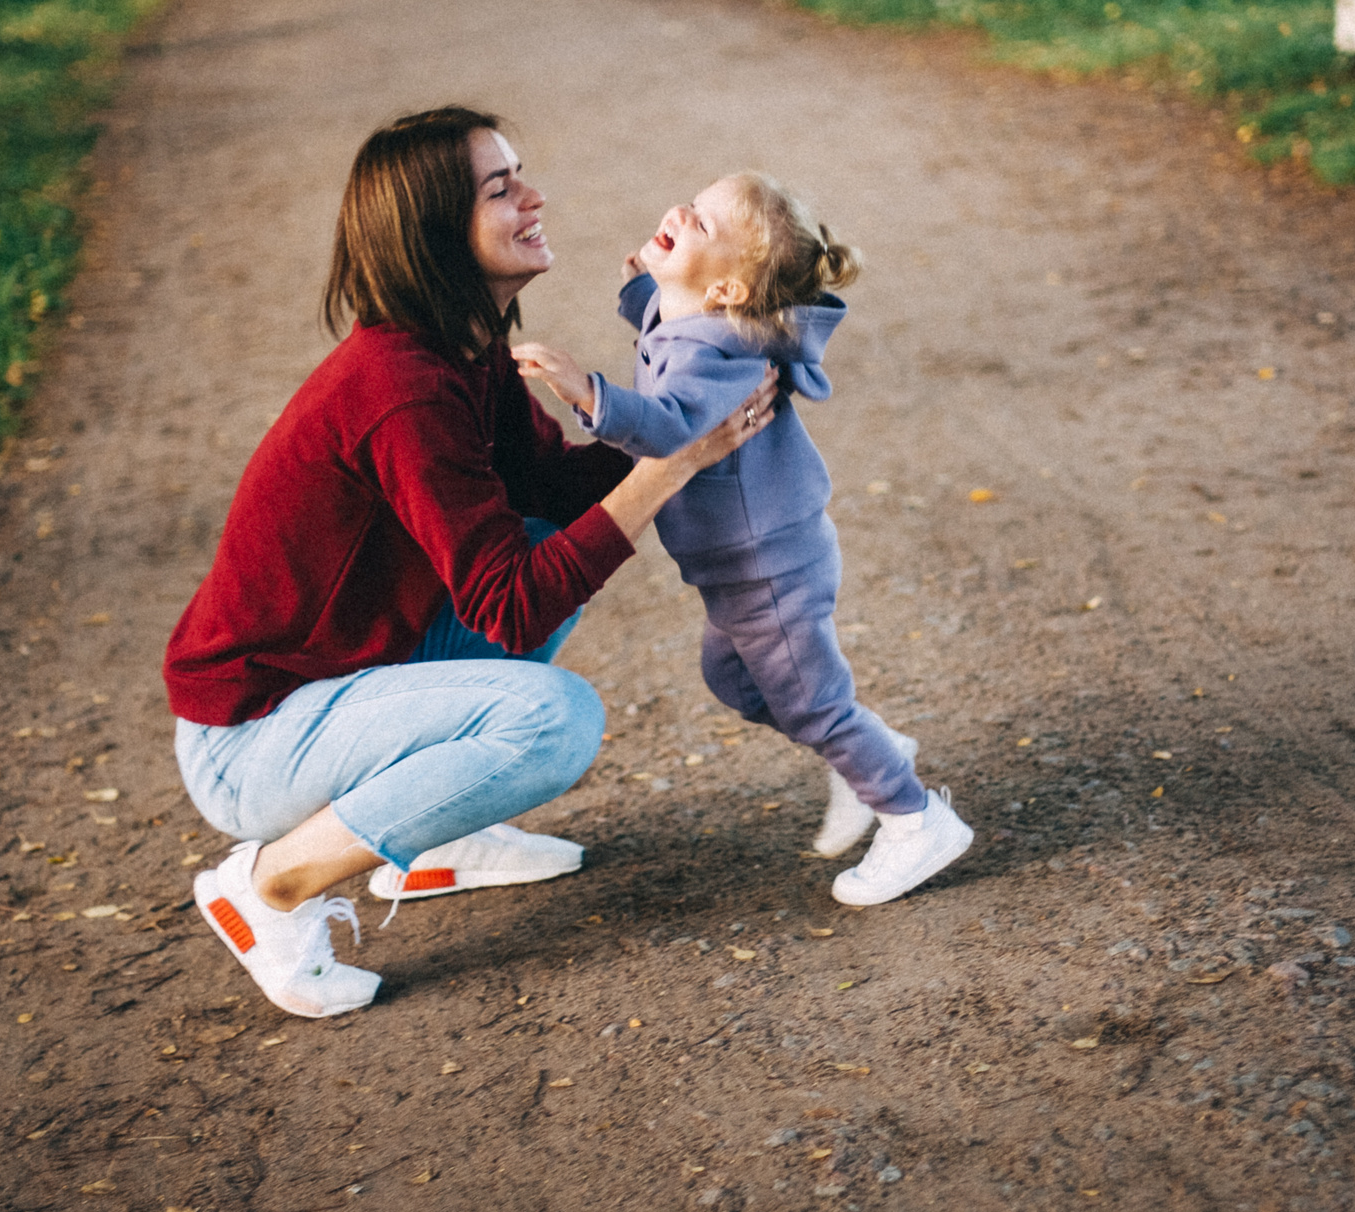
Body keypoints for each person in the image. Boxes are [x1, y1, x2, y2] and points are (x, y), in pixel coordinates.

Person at [165, 108, 776, 1019]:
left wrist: (686, 413)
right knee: (556, 722)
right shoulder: (400, 387)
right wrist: (671, 466)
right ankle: (271, 884)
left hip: (342, 682)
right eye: (500, 189)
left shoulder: (463, 350)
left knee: (535, 535)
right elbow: (514, 611)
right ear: (433, 231)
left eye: (519, 175)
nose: (534, 199)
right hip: (252, 736)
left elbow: (550, 486)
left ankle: (444, 840)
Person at [513, 172, 974, 909]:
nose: (677, 211)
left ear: (728, 293)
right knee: (737, 682)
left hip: (768, 570)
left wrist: (586, 390)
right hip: (740, 569)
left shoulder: (719, 353)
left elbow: (668, 423)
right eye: (689, 202)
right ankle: (864, 749)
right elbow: (669, 320)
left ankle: (914, 816)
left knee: (814, 704)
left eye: (699, 224)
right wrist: (642, 288)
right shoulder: (705, 317)